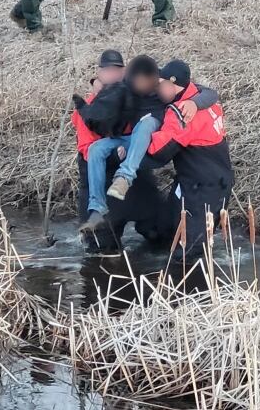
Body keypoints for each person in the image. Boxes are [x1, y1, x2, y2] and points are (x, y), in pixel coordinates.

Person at [76, 56, 218, 233]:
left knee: (147, 123)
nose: (141, 85)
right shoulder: (126, 84)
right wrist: (96, 88)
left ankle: (125, 177)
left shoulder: (163, 82)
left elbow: (210, 93)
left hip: (154, 134)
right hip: (131, 141)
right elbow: (102, 105)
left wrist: (194, 103)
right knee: (96, 149)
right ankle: (97, 207)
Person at [147, 60, 233, 257]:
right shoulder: (202, 98)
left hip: (201, 190)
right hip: (209, 182)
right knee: (166, 230)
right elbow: (208, 91)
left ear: (173, 84)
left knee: (189, 253)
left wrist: (138, 139)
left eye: (161, 84)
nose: (158, 89)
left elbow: (159, 152)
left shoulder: (180, 113)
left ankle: (188, 285)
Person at [71, 50, 126, 224]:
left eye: (117, 70)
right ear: (99, 73)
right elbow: (87, 150)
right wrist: (114, 155)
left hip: (125, 175)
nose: (113, 75)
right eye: (108, 71)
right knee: (101, 246)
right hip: (96, 172)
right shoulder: (87, 108)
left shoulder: (131, 98)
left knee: (158, 231)